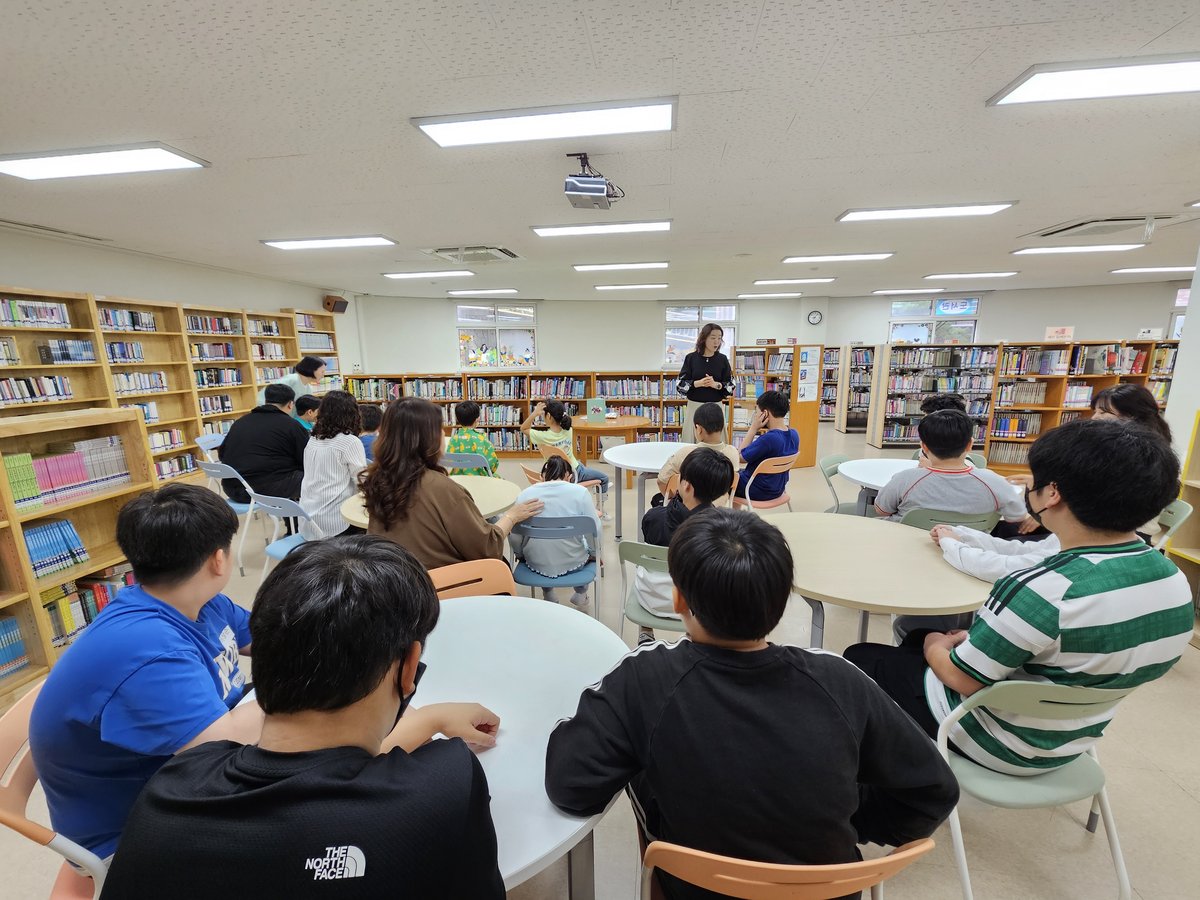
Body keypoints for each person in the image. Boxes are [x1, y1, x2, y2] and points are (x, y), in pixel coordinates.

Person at [545, 510, 959, 900]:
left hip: (693, 890)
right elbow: (933, 792)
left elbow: (571, 786)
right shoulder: (841, 680)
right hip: (830, 891)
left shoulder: (645, 675)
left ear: (679, 600)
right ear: (781, 603)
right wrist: (848, 817)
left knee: (641, 755)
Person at [101, 536, 506, 899]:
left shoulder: (170, 789)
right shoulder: (448, 782)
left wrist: (429, 719)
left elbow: (316, 772)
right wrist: (430, 722)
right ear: (408, 668)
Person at [845, 419, 1193, 776]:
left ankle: (888, 766)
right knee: (918, 640)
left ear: (1053, 493)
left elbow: (961, 678)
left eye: (1033, 480)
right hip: (1075, 736)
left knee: (864, 656)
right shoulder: (1173, 581)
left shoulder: (1040, 588)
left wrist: (934, 643)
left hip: (999, 740)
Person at [28, 485, 263, 862]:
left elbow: (267, 638)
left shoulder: (199, 601)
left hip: (177, 768)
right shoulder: (150, 646)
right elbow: (221, 746)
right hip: (128, 832)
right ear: (218, 559)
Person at [363, 397, 542, 569]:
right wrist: (512, 516)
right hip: (442, 581)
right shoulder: (444, 489)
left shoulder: (377, 481)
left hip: (397, 578)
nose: (443, 433)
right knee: (501, 565)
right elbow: (486, 547)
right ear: (426, 439)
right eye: (439, 428)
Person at [634, 448, 735, 627]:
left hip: (651, 599)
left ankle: (646, 631)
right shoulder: (723, 529)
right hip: (697, 608)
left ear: (686, 485)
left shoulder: (654, 517)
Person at [873, 409, 1028, 526]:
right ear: (970, 445)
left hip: (904, 544)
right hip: (966, 548)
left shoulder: (905, 479)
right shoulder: (993, 482)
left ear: (923, 447)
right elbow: (1017, 515)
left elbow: (882, 510)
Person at [509, 456, 601, 609]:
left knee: (540, 546)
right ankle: (580, 593)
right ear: (569, 476)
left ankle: (548, 593)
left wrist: (519, 554)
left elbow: (514, 535)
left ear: (542, 476)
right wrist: (594, 553)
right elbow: (595, 529)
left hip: (535, 561)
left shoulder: (525, 494)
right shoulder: (581, 493)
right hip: (573, 560)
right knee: (586, 546)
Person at [1090, 383, 1174, 539]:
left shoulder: (1143, 454)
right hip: (1104, 525)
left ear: (1131, 416)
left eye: (1103, 412)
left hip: (1126, 532)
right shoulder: (1112, 444)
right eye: (1095, 411)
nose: (1094, 418)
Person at [217, 382, 308, 502]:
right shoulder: (291, 425)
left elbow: (222, 454)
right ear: (291, 404)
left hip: (232, 487)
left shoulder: (240, 422)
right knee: (315, 476)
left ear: (266, 401)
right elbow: (307, 458)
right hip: (262, 490)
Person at [520, 399, 610, 513]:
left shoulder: (542, 436)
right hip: (573, 473)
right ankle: (600, 506)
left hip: (552, 474)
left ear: (549, 416)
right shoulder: (569, 430)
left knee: (580, 464)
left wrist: (534, 413)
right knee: (604, 478)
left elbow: (523, 428)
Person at [299, 390, 366, 539]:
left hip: (308, 521)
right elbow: (362, 481)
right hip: (336, 524)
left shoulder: (314, 438)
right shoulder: (349, 442)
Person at [654, 401, 740, 499]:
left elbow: (662, 481)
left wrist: (672, 497)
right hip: (721, 506)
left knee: (657, 500)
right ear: (723, 426)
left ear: (699, 429)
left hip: (690, 506)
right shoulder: (733, 453)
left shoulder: (686, 453)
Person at [734, 389, 799, 502]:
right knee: (736, 473)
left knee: (717, 477)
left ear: (765, 413)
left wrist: (753, 428)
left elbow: (739, 457)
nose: (756, 416)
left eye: (757, 412)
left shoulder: (769, 439)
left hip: (755, 489)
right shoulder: (794, 434)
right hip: (777, 489)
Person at [675, 323, 734, 441]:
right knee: (692, 445)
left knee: (716, 445)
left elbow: (731, 386)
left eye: (719, 338)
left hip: (715, 408)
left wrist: (716, 385)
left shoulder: (722, 359)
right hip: (694, 408)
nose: (716, 342)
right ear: (704, 338)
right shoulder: (691, 358)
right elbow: (679, 384)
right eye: (713, 338)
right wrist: (698, 383)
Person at [445, 400, 500, 476]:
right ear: (477, 419)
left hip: (459, 480)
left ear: (458, 419)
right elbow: (493, 465)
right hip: (481, 480)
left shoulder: (453, 440)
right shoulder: (482, 439)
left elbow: (449, 462)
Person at [257, 354, 326, 410]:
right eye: (322, 371)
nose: (323, 374)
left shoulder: (309, 388)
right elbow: (264, 396)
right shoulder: (292, 379)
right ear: (311, 369)